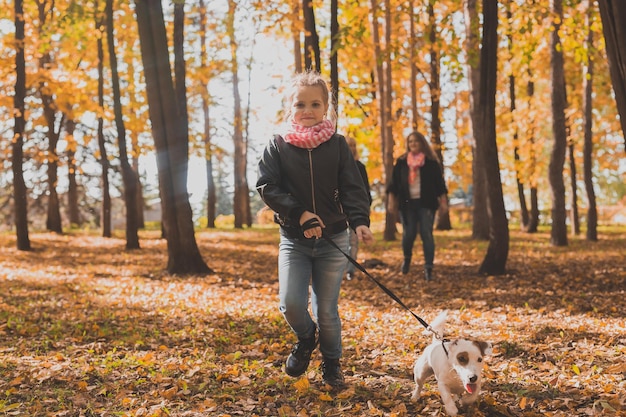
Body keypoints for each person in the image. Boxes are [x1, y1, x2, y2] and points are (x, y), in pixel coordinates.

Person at [256, 71, 374, 388]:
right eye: (300, 104)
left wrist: (360, 221)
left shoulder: (336, 145)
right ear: (290, 107)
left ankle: (332, 364)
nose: (307, 110)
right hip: (294, 240)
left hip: (332, 239)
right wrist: (300, 214)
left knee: (327, 310)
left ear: (326, 108)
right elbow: (267, 186)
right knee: (291, 303)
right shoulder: (277, 145)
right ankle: (306, 339)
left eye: (315, 104)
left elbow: (353, 188)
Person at [386, 131, 447, 281]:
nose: (413, 144)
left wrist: (444, 203)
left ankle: (428, 268)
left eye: (416, 141)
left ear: (422, 143)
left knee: (426, 234)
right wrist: (391, 202)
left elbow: (440, 186)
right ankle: (407, 259)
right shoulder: (401, 162)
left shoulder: (431, 163)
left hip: (426, 203)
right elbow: (393, 185)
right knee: (409, 234)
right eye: (410, 141)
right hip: (407, 204)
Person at [345, 136, 372, 280]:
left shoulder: (360, 167)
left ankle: (350, 270)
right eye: (347, 145)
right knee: (342, 241)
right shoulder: (334, 166)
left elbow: (365, 191)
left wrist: (365, 209)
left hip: (356, 211)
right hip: (339, 212)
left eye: (352, 145)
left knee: (353, 241)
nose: (350, 148)